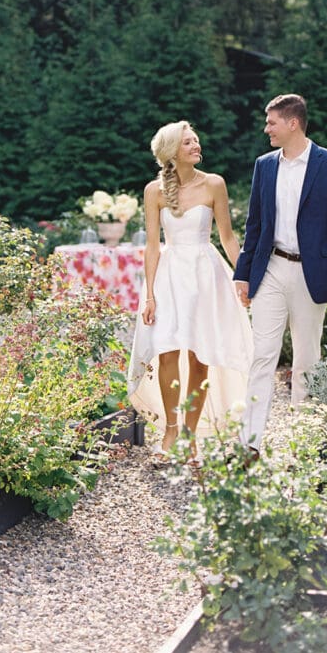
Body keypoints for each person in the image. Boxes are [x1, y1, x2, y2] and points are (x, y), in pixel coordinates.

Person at [233, 93, 327, 454]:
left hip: (313, 273)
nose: (266, 129)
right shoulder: (264, 165)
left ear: (293, 123)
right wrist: (242, 275)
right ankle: (250, 444)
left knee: (307, 360)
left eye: (271, 122)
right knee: (262, 354)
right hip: (271, 268)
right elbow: (254, 224)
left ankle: (302, 446)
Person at [127, 120, 253, 462]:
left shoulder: (214, 184)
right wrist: (149, 294)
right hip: (169, 276)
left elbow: (227, 237)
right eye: (188, 142)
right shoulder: (154, 191)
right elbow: (152, 246)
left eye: (196, 140)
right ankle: (170, 432)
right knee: (167, 352)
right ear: (172, 152)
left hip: (205, 275)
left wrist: (244, 277)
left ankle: (190, 436)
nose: (196, 145)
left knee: (200, 356)